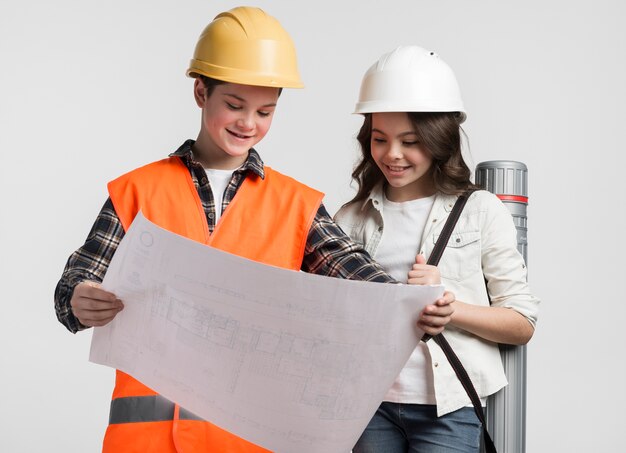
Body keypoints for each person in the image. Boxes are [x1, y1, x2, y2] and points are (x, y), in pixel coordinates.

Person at [54, 9, 455, 453]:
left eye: (265, 111)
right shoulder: (137, 190)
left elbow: (353, 272)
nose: (249, 123)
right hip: (146, 443)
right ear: (200, 91)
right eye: (234, 105)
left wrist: (410, 305)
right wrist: (79, 298)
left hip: (248, 442)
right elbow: (75, 283)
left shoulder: (295, 204)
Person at [334, 45, 540, 453]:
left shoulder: (480, 211)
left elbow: (522, 323)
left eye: (410, 141)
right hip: (368, 405)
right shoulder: (350, 218)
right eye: (379, 139)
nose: (392, 154)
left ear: (438, 139)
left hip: (450, 410)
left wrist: (451, 307)